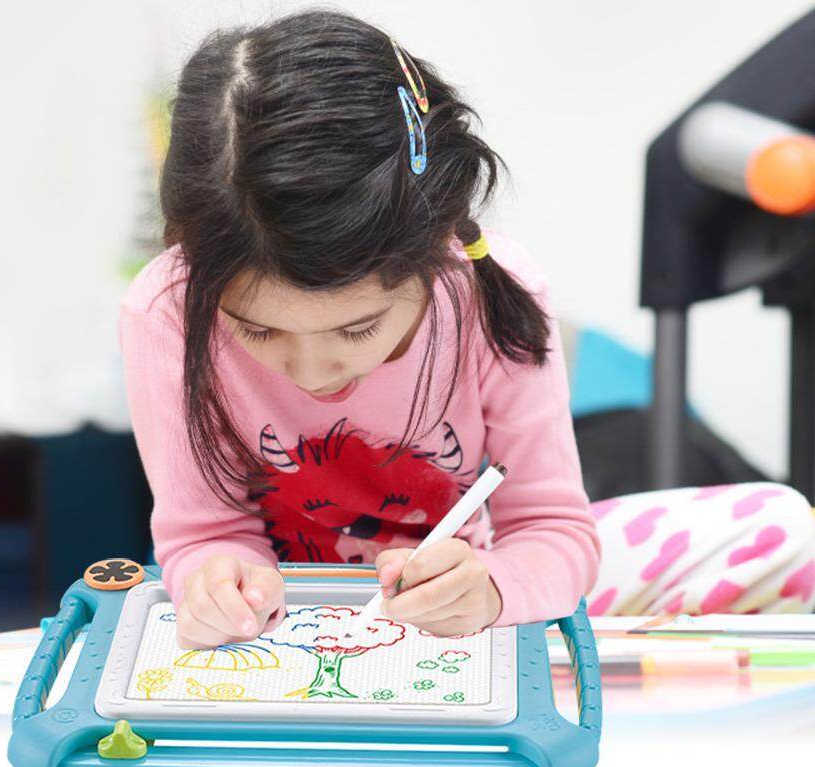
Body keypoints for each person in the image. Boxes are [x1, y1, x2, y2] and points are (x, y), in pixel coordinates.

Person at [120, 9, 814, 649]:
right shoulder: (166, 312)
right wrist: (217, 581)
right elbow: (205, 535)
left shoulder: (490, 291)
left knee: (779, 526)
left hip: (469, 609)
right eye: (260, 333)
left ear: (436, 246)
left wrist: (490, 588)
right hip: (277, 629)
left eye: (357, 330)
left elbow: (553, 532)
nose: (313, 373)